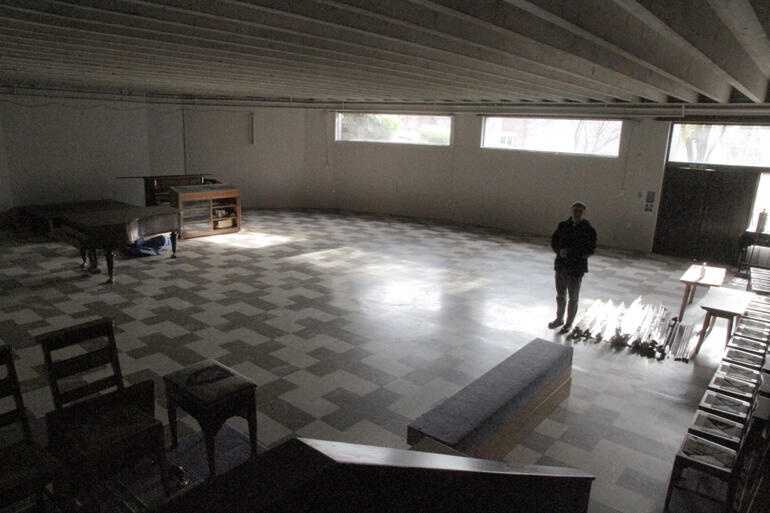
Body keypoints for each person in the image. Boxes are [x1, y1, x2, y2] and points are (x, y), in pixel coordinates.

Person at [548, 201, 597, 334]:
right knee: (560, 295)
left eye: (580, 211)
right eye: (575, 210)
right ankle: (559, 319)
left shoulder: (589, 230)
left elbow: (590, 250)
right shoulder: (563, 225)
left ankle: (569, 323)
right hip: (561, 266)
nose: (577, 213)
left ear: (584, 213)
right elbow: (554, 242)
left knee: (573, 297)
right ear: (571, 211)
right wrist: (559, 250)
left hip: (575, 269)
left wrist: (572, 253)